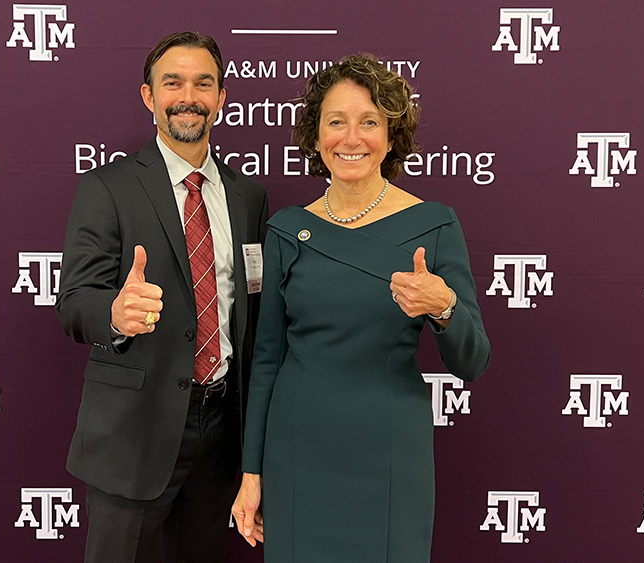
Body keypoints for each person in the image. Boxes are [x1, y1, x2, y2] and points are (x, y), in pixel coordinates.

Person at [231, 54, 491, 562]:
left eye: (369, 122)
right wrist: (252, 471)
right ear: (316, 137)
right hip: (297, 448)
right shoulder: (286, 228)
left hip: (389, 448)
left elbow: (474, 361)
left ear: (392, 137)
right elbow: (265, 361)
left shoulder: (434, 225)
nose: (351, 138)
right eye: (336, 122)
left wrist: (444, 308)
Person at [55, 31, 269, 563]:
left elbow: (254, 308)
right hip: (133, 434)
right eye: (172, 82)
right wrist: (115, 313)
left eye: (204, 83)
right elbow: (75, 302)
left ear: (222, 98)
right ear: (149, 97)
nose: (188, 96)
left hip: (222, 435)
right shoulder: (108, 187)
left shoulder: (249, 198)